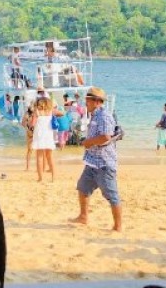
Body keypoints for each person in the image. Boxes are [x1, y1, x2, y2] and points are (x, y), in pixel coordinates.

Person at [71, 87, 122, 232]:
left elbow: (106, 137)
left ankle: (118, 227)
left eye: (87, 99)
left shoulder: (104, 116)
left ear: (96, 102)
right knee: (82, 188)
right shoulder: (94, 115)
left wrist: (89, 142)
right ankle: (83, 217)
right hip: (92, 161)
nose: (85, 102)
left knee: (111, 195)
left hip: (104, 164)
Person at [32, 97, 56, 182]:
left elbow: (33, 124)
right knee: (49, 157)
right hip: (48, 135)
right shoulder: (50, 111)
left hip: (39, 135)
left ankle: (40, 178)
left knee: (39, 157)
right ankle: (53, 178)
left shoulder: (37, 111)